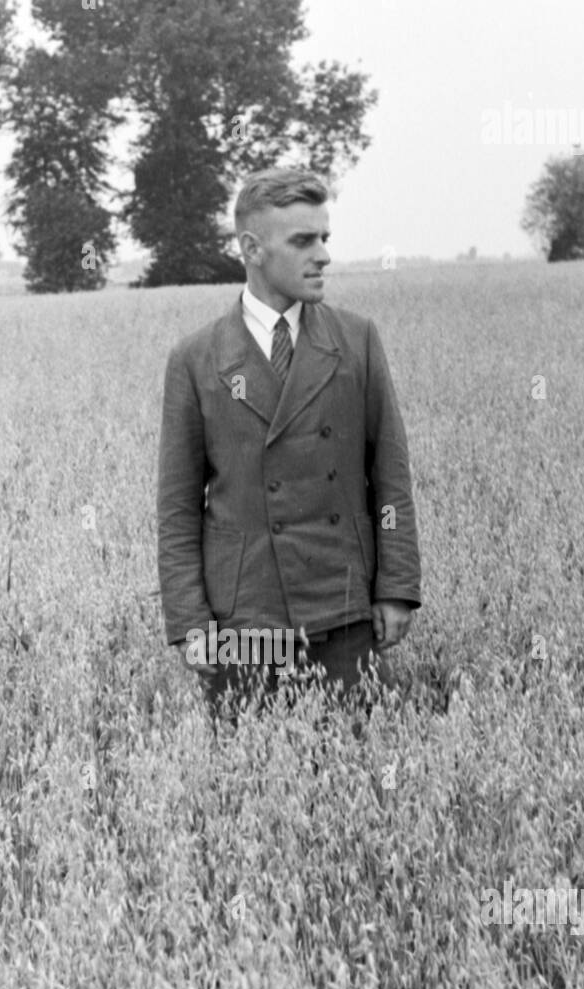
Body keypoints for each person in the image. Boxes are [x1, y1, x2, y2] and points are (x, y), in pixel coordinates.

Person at [157, 167, 421, 725]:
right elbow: (178, 509)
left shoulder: (356, 340)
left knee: (357, 775)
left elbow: (391, 477)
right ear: (252, 248)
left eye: (325, 237)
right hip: (246, 616)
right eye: (303, 240)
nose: (323, 255)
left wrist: (396, 587)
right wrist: (190, 621)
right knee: (251, 781)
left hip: (343, 609)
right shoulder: (196, 358)